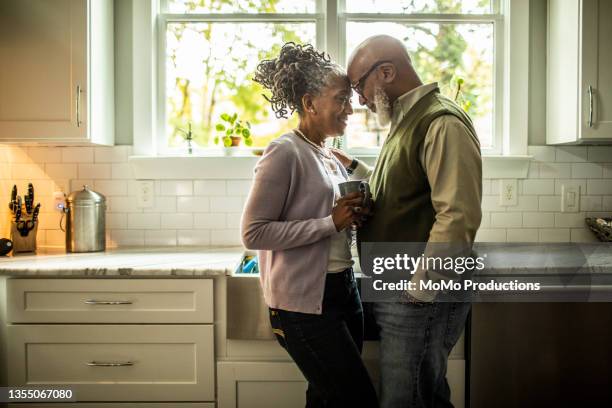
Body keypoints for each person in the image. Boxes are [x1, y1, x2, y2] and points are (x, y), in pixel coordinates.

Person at [333, 35, 482, 408]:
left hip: (417, 291)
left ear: (386, 72)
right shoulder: (406, 120)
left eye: (358, 87)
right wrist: (356, 170)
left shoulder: (441, 122)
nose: (359, 100)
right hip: (400, 285)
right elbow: (407, 185)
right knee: (424, 392)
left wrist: (419, 290)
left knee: (404, 398)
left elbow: (458, 215)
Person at [241, 42, 378, 408]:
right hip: (304, 305)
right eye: (340, 99)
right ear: (309, 103)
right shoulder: (284, 151)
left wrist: (350, 217)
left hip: (342, 290)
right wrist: (330, 222)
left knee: (326, 397)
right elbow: (255, 232)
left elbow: (331, 219)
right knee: (357, 400)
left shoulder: (328, 154)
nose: (350, 108)